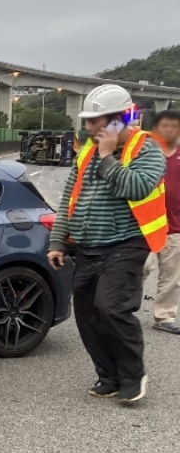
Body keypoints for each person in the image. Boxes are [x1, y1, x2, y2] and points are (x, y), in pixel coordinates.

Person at [47, 84, 166, 405]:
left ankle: (132, 374)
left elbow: (139, 186)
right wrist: (58, 240)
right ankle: (108, 375)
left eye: (95, 121)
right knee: (87, 316)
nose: (87, 128)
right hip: (88, 248)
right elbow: (68, 202)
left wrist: (107, 157)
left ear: (118, 120)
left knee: (111, 307)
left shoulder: (147, 149)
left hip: (126, 245)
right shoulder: (86, 153)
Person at [144, 110, 180, 334]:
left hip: (175, 226)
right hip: (146, 225)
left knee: (171, 276)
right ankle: (125, 311)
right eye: (164, 125)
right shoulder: (146, 154)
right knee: (140, 269)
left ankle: (164, 317)